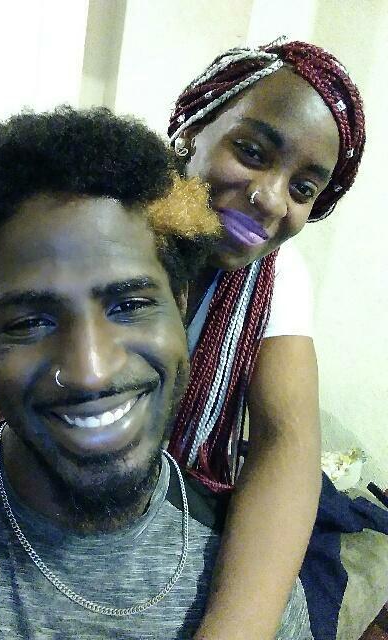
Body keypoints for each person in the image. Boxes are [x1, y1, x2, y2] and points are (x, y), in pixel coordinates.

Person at [0, 107, 315, 639]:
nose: (90, 371)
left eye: (130, 305)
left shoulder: (252, 581)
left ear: (181, 302)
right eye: (30, 321)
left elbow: (288, 438)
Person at [164, 39, 368, 640]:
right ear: (192, 130)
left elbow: (286, 442)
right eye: (251, 152)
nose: (271, 199)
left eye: (303, 189)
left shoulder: (275, 278)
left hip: (183, 487)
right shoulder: (90, 219)